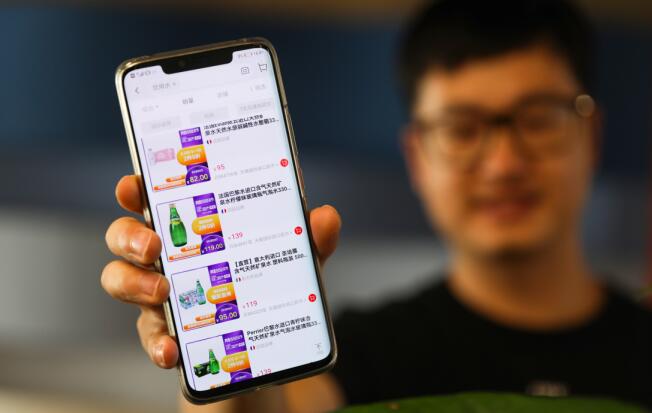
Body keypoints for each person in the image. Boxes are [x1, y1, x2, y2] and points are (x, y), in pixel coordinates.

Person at [102, 0, 652, 411]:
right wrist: (229, 353)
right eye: (462, 129)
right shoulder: (365, 354)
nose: (504, 164)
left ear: (592, 136)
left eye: (538, 120)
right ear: (417, 158)